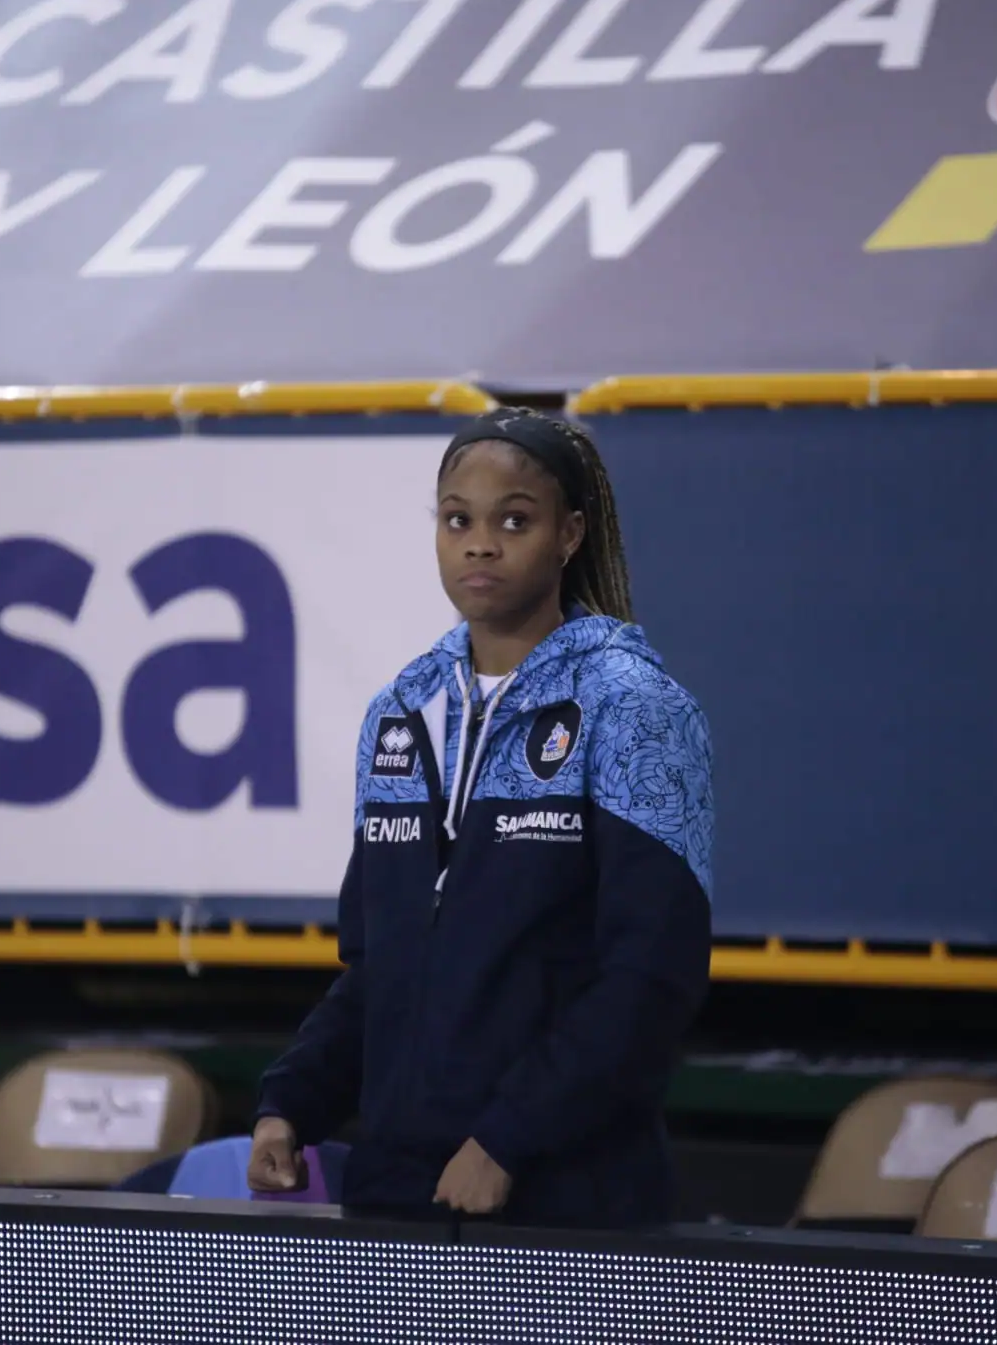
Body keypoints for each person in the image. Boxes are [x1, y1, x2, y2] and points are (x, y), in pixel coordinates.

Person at [248, 406, 713, 1229]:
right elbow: (379, 970)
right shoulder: (401, 710)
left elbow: (651, 977)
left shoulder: (632, 707)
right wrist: (291, 1102)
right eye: (457, 519)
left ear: (569, 535)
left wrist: (508, 1137)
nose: (480, 543)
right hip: (397, 1191)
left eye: (514, 520)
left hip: (568, 1194)